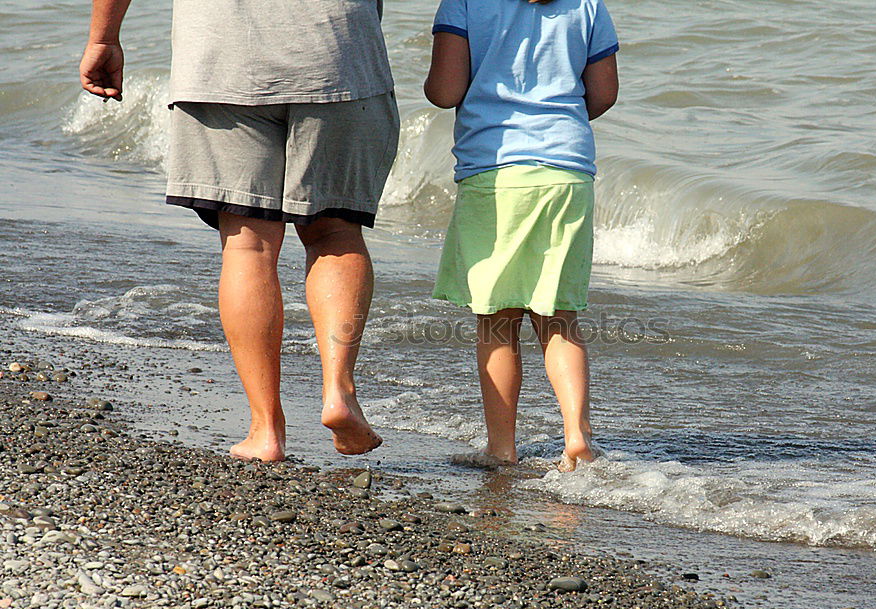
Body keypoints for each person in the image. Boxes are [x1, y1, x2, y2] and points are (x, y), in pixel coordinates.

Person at [79, 0, 399, 462]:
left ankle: (266, 430)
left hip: (219, 58)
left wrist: (103, 38)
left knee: (248, 247)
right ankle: (338, 392)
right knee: (334, 234)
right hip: (339, 54)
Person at [424, 0, 619, 471]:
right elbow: (605, 93)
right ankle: (576, 435)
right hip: (567, 171)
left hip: (495, 170)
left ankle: (501, 447)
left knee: (497, 319)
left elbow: (445, 91)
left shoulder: (466, 2)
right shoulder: (587, 4)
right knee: (559, 317)